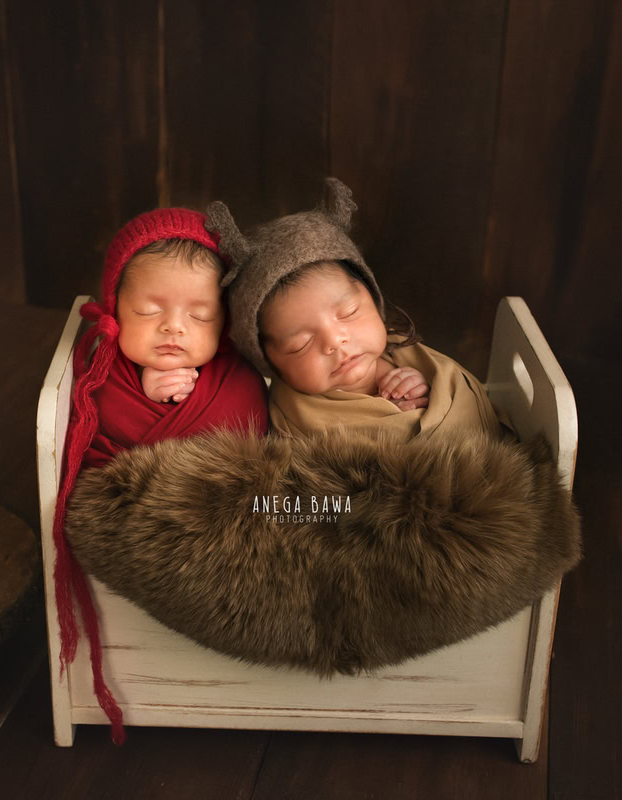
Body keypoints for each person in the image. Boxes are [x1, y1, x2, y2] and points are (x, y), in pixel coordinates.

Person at [50, 207, 269, 744]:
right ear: (115, 311)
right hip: (152, 523)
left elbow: (261, 442)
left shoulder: (237, 375)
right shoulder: (100, 376)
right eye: (149, 310)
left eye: (200, 316)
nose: (174, 327)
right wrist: (145, 405)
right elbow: (92, 451)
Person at [207, 177, 503, 442]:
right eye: (301, 343)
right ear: (270, 361)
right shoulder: (287, 420)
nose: (335, 341)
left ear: (374, 300)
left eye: (348, 312)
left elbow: (462, 408)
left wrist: (422, 391)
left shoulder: (415, 360)